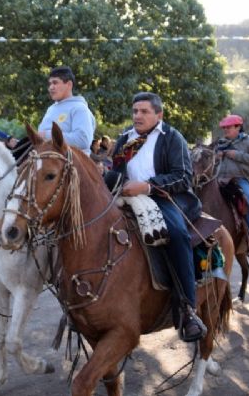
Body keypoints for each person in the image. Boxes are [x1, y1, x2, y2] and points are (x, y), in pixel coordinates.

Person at [105, 92, 205, 342]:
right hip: (126, 196)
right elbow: (116, 172)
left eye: (144, 111)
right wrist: (103, 175)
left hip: (162, 197)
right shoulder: (125, 139)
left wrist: (147, 186)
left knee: (177, 234)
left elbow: (183, 176)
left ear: (158, 115)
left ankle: (187, 308)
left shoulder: (172, 138)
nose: (137, 116)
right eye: (135, 111)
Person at [215, 114, 249, 259]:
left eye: (228, 127)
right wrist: (214, 157)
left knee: (248, 200)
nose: (225, 130)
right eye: (224, 128)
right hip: (219, 180)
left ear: (238, 127)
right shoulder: (220, 143)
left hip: (240, 179)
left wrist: (236, 155)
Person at [37, 66, 96, 155]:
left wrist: (47, 135)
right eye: (50, 84)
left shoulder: (79, 108)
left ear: (69, 85)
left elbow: (83, 140)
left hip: (71, 166)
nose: (51, 87)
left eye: (55, 83)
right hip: (45, 161)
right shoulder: (51, 109)